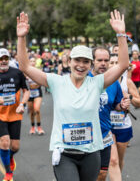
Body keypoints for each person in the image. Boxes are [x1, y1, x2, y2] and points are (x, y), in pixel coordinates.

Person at [16, 10, 129, 181]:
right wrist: (22, 37)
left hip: (91, 153)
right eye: (77, 60)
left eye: (86, 62)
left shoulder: (97, 83)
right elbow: (24, 66)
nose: (81, 65)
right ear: (69, 62)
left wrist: (121, 34)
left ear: (91, 64)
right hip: (65, 154)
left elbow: (122, 65)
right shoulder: (57, 82)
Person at [0, 48, 30, 181]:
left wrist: (22, 104)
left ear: (9, 59)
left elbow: (26, 91)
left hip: (15, 113)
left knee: (15, 146)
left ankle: (10, 156)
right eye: (1, 59)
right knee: (4, 142)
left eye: (6, 58)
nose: (3, 61)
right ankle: (8, 172)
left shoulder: (17, 73)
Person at [89, 48, 130, 181]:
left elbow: (116, 105)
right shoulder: (83, 79)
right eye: (99, 60)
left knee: (102, 173)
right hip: (86, 135)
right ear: (92, 61)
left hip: (104, 133)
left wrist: (122, 105)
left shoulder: (113, 82)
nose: (103, 63)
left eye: (106, 60)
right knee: (87, 174)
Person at [108, 54, 140, 179]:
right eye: (111, 62)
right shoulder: (102, 81)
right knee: (112, 160)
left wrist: (129, 96)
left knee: (118, 159)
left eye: (116, 62)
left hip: (123, 125)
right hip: (106, 126)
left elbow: (139, 103)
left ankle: (117, 176)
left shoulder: (127, 81)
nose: (113, 65)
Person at [27, 57, 45, 135]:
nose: (33, 62)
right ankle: (32, 127)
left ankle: (39, 127)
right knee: (31, 112)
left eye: (34, 61)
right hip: (29, 93)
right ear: (28, 62)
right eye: (31, 61)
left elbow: (43, 81)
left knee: (37, 109)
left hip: (38, 92)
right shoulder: (26, 72)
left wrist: (37, 84)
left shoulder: (39, 71)